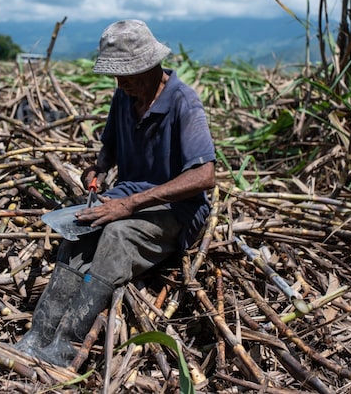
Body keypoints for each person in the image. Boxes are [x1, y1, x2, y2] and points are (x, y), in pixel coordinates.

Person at [13, 19, 216, 367]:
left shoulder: (184, 102)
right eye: (117, 76)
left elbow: (204, 176)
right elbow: (110, 146)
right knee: (79, 230)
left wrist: (130, 204)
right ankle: (39, 333)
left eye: (129, 75)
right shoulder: (125, 97)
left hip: (176, 208)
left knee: (117, 235)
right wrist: (99, 168)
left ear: (151, 66)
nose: (121, 83)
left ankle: (66, 346)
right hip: (128, 195)